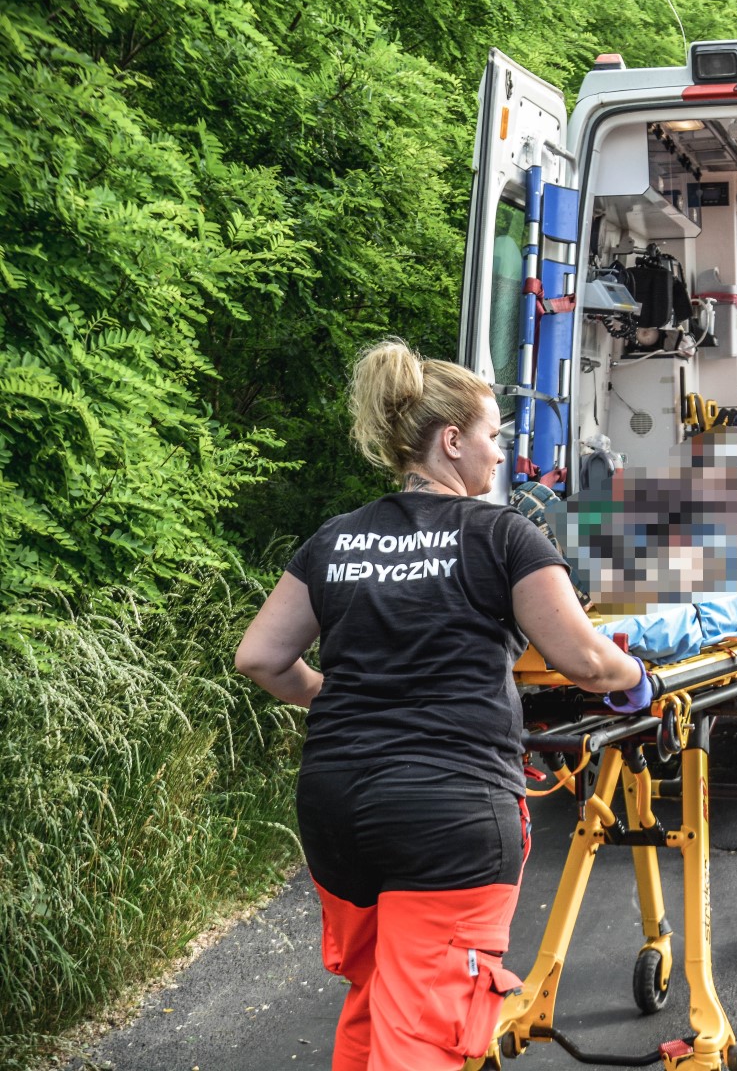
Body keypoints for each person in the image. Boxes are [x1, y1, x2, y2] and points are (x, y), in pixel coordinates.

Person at [234, 340, 651, 1071]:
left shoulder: (336, 539)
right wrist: (636, 680)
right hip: (449, 813)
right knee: (421, 1031)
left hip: (338, 809)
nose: (500, 454)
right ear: (452, 441)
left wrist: (337, 697)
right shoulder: (501, 535)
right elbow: (584, 659)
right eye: (493, 436)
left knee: (376, 1000)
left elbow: (260, 658)